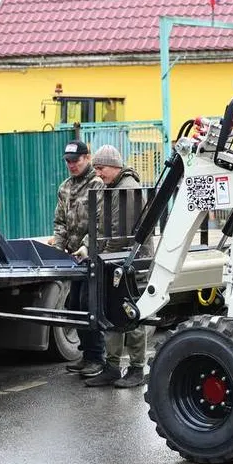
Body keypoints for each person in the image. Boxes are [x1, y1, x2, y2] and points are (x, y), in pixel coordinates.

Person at [82, 145, 156, 388]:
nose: (98, 174)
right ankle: (112, 367)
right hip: (116, 262)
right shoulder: (111, 188)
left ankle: (136, 369)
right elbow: (102, 226)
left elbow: (121, 235)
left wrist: (101, 256)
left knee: (131, 315)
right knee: (112, 313)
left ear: (114, 166)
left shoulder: (128, 190)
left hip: (131, 264)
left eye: (101, 168)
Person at [48, 140, 106, 376]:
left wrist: (86, 247)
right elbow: (60, 222)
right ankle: (86, 354)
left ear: (87, 158)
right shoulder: (64, 188)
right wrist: (58, 247)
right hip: (73, 258)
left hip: (91, 256)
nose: (71, 165)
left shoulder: (98, 185)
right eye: (68, 161)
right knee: (74, 306)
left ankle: (97, 358)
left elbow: (101, 223)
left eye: (76, 160)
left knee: (88, 305)